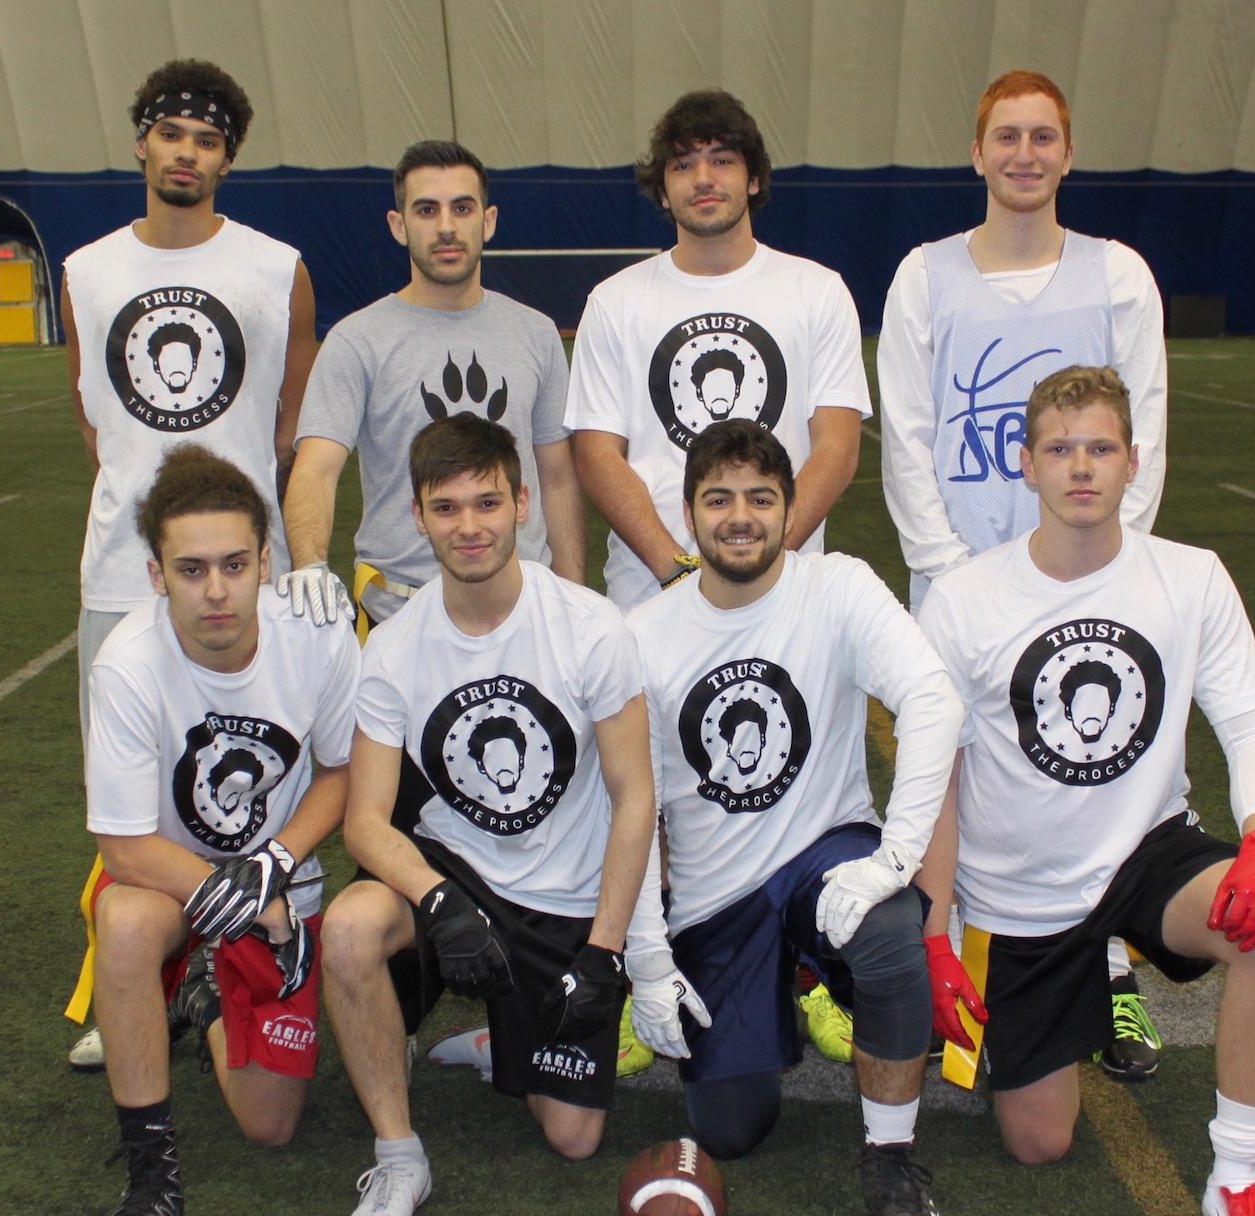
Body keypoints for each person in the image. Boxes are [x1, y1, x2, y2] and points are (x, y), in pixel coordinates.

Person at [915, 366, 1255, 1216]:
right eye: (1060, 449)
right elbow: (937, 778)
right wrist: (936, 932)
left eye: (1100, 448)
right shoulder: (964, 599)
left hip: (1147, 853)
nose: (1081, 467)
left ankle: (1237, 1180)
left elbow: (1249, 722)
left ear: (1134, 461)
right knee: (1039, 1142)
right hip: (1019, 890)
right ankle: (1080, 986)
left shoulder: (1190, 577)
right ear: (1026, 464)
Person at [623, 419, 981, 1216]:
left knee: (889, 933)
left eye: (760, 498)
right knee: (733, 1129)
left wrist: (895, 859)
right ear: (688, 513)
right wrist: (648, 959)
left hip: (826, 857)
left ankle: (890, 1157)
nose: (740, 517)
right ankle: (789, 985)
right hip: (717, 898)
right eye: (719, 499)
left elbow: (934, 701)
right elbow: (630, 808)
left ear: (791, 509)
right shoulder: (644, 635)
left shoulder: (838, 586)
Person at [878, 68, 1170, 1079]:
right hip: (958, 584)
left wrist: (1099, 572)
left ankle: (1112, 972)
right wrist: (953, 576)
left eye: (1043, 137)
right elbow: (907, 438)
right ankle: (944, 967)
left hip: (1084, 580)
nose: (1025, 154)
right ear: (977, 153)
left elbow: (1143, 437)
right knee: (946, 775)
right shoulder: (924, 276)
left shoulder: (1118, 275)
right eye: (1007, 136)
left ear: (1068, 153)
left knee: (1095, 770)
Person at [319, 413, 656, 1216]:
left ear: (522, 504)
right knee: (350, 929)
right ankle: (398, 1156)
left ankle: (501, 1035)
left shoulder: (591, 627)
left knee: (574, 1138)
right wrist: (438, 901)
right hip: (456, 871)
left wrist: (604, 951)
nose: (468, 526)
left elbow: (635, 798)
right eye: (446, 507)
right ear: (417, 515)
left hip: (561, 895)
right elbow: (365, 821)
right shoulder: (393, 649)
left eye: (487, 503)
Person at [62, 58, 318, 1069]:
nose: (187, 153)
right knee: (131, 797)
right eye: (172, 133)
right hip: (122, 572)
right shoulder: (86, 270)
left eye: (208, 141)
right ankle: (133, 984)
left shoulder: (276, 267)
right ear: (142, 143)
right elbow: (93, 418)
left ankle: (257, 964)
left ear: (226, 159)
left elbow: (291, 423)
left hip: (247, 573)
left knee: (261, 773)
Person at [80, 446, 360, 1216]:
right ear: (156, 575)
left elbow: (342, 772)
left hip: (277, 875)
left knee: (270, 1126)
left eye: (235, 565)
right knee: (124, 924)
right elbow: (124, 846)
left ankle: (201, 996)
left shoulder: (315, 636)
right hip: (169, 875)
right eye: (191, 569)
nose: (215, 591)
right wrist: (238, 898)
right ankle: (150, 1184)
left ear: (266, 562)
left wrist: (272, 865)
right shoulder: (127, 664)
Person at [566, 88, 870, 612]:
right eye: (683, 164)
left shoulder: (817, 291)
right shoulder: (614, 302)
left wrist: (761, 563)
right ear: (663, 191)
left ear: (753, 179)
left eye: (722, 160)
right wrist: (676, 573)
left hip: (786, 597)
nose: (703, 178)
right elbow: (597, 455)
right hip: (650, 599)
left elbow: (837, 449)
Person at [280, 140, 583, 634]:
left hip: (525, 613)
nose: (446, 226)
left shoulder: (537, 333)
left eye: (462, 208)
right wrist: (310, 563)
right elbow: (316, 468)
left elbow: (558, 478)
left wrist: (572, 596)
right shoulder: (356, 340)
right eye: (426, 210)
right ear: (398, 225)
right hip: (398, 615)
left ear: (488, 221)